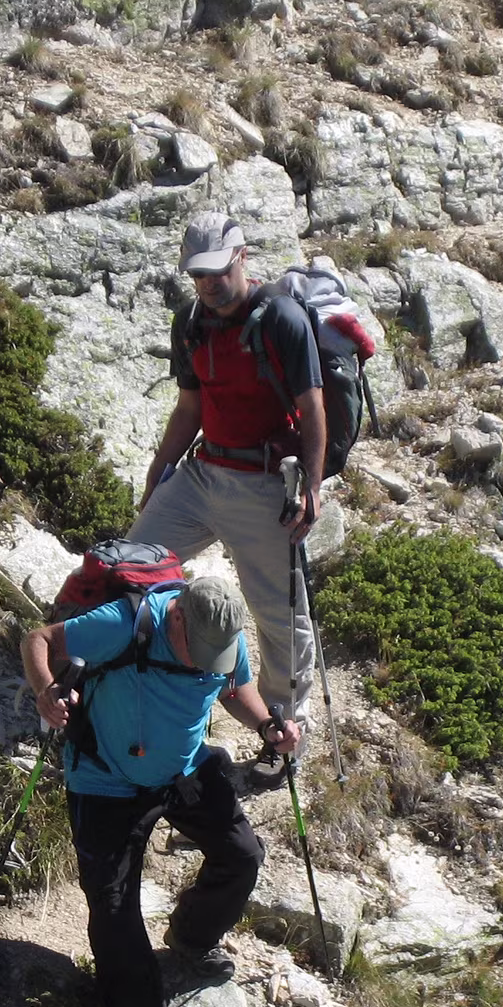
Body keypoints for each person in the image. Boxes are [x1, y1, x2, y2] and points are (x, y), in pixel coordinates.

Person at [21, 575, 302, 1007]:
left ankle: (191, 937)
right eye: (199, 651)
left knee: (242, 855)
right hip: (106, 781)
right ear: (176, 618)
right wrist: (46, 691)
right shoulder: (123, 624)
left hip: (183, 770)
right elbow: (39, 639)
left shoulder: (221, 635)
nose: (207, 661)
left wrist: (268, 725)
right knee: (114, 910)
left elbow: (233, 688)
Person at [132, 213, 323, 778]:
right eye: (198, 274)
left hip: (264, 485)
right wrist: (159, 471)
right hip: (202, 474)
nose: (209, 283)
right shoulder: (190, 321)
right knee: (131, 569)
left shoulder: (282, 318)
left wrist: (311, 488)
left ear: (242, 258)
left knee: (278, 616)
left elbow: (314, 410)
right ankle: (107, 678)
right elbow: (189, 406)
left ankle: (284, 732)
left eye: (218, 270)